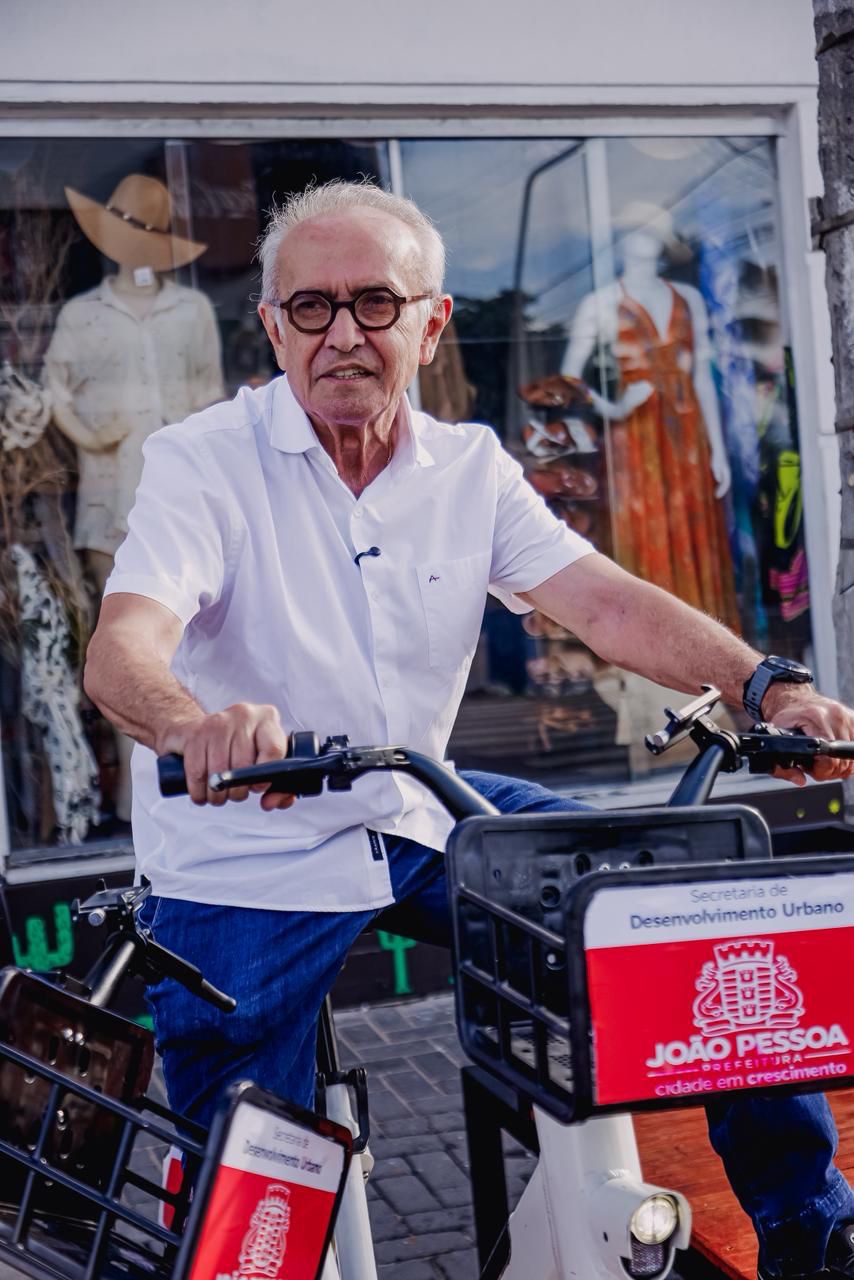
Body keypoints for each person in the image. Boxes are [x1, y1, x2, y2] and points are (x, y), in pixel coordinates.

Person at [84, 179, 854, 1280]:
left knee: (689, 917)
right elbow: (123, 644)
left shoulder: (470, 467)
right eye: (309, 307)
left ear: (431, 319)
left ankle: (807, 1222)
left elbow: (603, 600)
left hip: (421, 807)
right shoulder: (203, 462)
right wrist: (193, 723)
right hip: (245, 856)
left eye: (373, 302)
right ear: (271, 325)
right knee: (249, 1202)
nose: (341, 333)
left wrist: (764, 681)